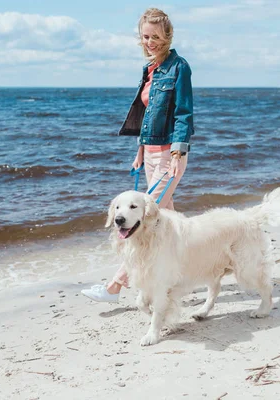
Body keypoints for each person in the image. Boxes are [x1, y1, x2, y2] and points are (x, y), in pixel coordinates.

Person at [81, 8, 194, 303]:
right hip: (152, 153)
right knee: (167, 218)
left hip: (171, 154)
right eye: (146, 37)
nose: (150, 42)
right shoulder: (150, 69)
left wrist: (178, 151)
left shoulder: (179, 67)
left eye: (156, 36)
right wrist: (140, 150)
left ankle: (114, 287)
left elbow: (183, 112)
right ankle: (186, 268)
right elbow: (147, 114)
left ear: (167, 36)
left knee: (145, 220)